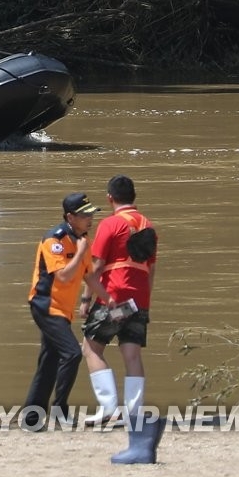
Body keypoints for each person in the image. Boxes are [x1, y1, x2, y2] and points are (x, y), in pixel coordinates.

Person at [22, 193, 114, 429]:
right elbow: (63, 275)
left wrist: (108, 299)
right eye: (85, 215)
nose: (90, 219)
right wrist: (81, 252)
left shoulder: (81, 238)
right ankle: (59, 409)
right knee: (72, 353)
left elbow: (88, 276)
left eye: (92, 214)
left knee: (49, 361)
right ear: (70, 217)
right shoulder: (54, 240)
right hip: (45, 305)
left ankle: (32, 418)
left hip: (62, 309)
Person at [80, 175, 158, 424]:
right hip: (140, 299)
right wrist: (145, 302)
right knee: (132, 354)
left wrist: (85, 298)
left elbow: (97, 265)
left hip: (115, 299)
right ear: (134, 196)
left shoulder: (110, 224)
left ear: (110, 198)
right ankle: (134, 413)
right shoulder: (149, 226)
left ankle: (108, 408)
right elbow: (151, 269)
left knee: (91, 348)